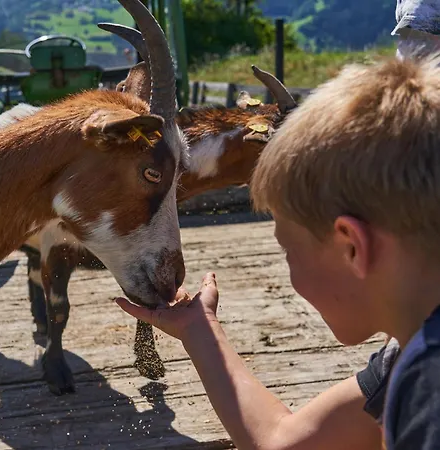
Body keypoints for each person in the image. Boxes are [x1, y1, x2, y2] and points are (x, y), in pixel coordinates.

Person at [115, 5, 440, 450]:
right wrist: (198, 327)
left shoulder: (430, 396)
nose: (288, 267)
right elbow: (285, 442)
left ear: (351, 248)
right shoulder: (409, 352)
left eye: (287, 249)